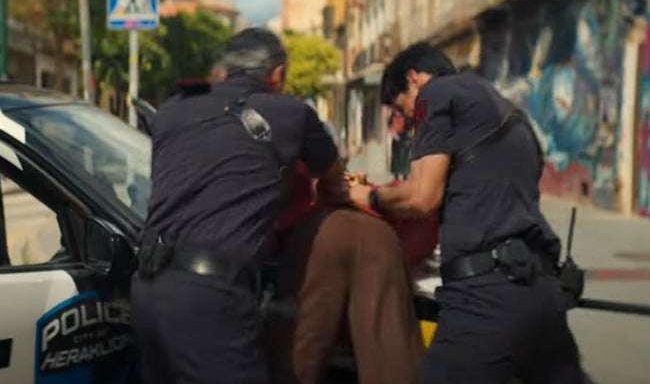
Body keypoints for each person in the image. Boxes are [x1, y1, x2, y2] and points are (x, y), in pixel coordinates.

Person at [350, 42, 583, 384]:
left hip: (484, 300)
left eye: (404, 109)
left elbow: (421, 197)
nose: (411, 123)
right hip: (542, 293)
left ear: (413, 79)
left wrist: (367, 196)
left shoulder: (438, 93)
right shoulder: (512, 115)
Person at [131, 27, 348, 384]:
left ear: (224, 69)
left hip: (148, 289)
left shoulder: (172, 110)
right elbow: (333, 177)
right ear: (277, 74)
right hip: (210, 298)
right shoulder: (290, 113)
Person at [264, 162, 428, 384]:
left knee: (297, 360)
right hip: (375, 233)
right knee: (391, 360)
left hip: (309, 236)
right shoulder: (304, 134)